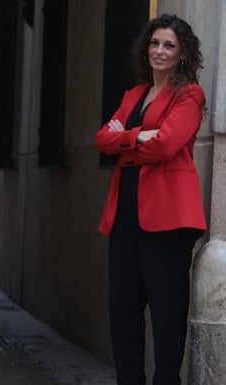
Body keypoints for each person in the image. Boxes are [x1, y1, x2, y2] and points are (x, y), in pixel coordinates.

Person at [95, 14, 206, 385]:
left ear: (182, 54)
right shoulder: (133, 95)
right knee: (122, 311)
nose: (159, 51)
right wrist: (139, 137)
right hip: (125, 216)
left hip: (169, 220)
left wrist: (126, 138)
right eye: (154, 43)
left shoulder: (189, 95)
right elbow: (101, 140)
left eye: (169, 45)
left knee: (167, 314)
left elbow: (168, 145)